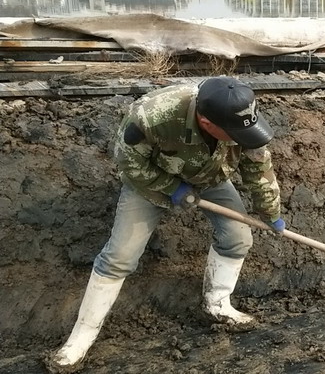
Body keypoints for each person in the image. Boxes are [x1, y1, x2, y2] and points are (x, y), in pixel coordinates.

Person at [47, 77, 285, 373]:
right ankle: (81, 337)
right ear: (206, 122)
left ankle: (217, 304)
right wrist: (171, 188)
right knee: (120, 257)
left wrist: (270, 212)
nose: (241, 138)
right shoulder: (152, 116)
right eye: (235, 134)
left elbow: (258, 167)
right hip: (151, 183)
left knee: (238, 238)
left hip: (209, 178)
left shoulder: (241, 121)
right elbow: (129, 163)